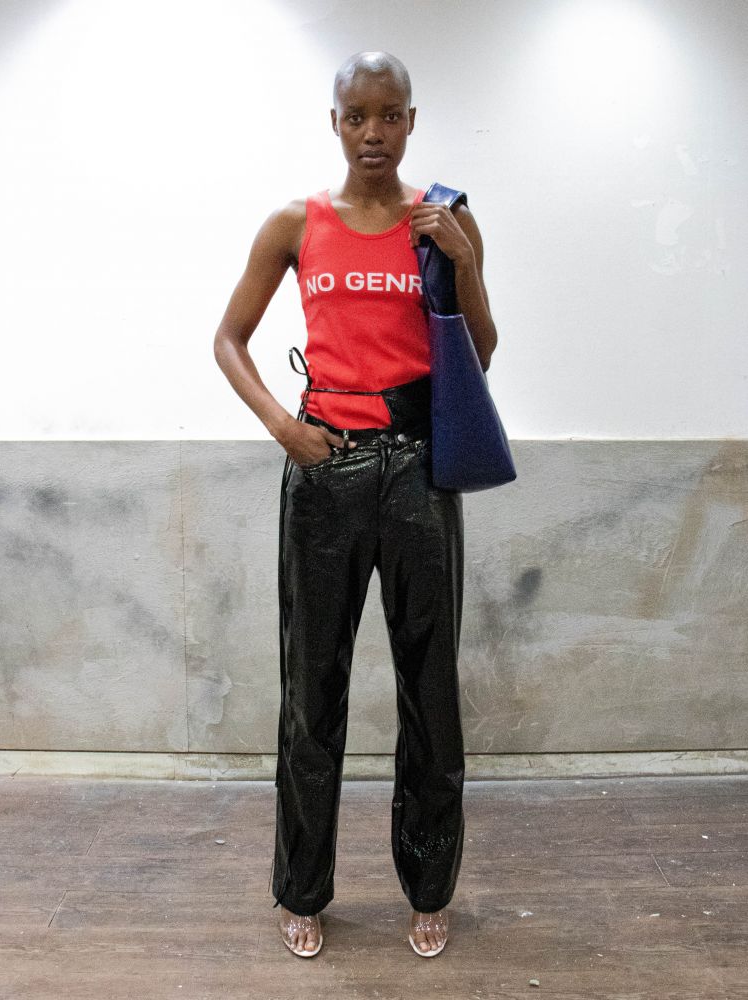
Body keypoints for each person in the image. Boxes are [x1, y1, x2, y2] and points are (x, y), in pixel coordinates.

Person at [213, 50, 498, 959]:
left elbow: (481, 352)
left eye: (389, 115)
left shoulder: (443, 220)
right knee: (312, 690)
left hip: (419, 470)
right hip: (325, 471)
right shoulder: (296, 223)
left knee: (430, 691)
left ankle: (429, 888)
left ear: (411, 120)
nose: (373, 132)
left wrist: (465, 262)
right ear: (334, 122)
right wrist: (282, 427)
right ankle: (301, 889)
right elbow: (229, 340)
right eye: (356, 116)